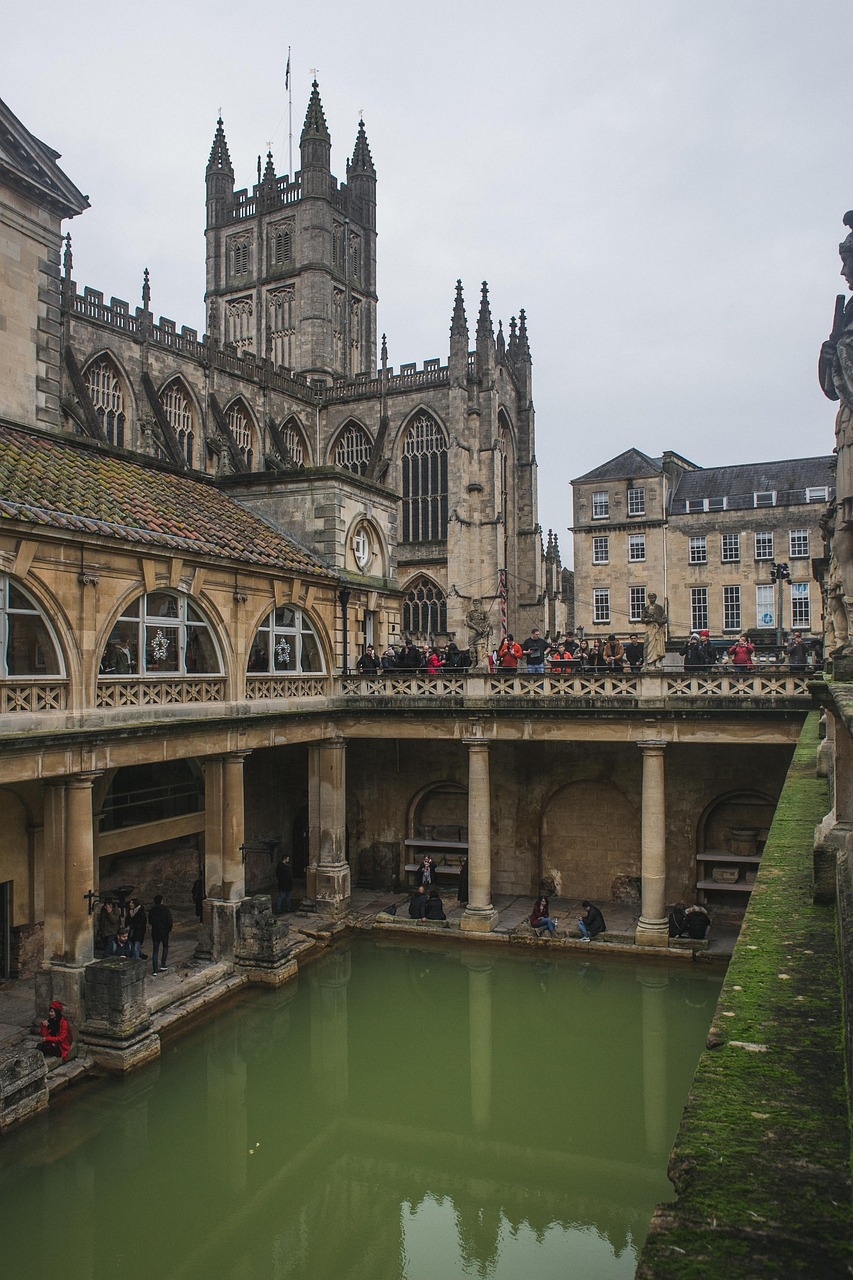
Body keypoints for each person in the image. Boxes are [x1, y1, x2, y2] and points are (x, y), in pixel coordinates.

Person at [148, 894, 173, 976]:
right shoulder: (166, 910)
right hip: (164, 932)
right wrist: (168, 930)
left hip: (155, 932)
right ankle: (163, 964)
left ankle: (154, 970)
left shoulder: (152, 910)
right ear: (161, 901)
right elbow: (170, 922)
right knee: (165, 947)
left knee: (155, 950)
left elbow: (150, 921)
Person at [642, 593, 667, 668]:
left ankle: (657, 662)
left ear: (655, 598)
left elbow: (665, 619)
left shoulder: (660, 608)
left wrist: (658, 620)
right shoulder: (646, 609)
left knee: (657, 646)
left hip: (657, 629)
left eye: (653, 597)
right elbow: (642, 619)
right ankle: (648, 662)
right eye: (650, 597)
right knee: (648, 644)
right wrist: (649, 619)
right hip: (649, 629)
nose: (651, 599)